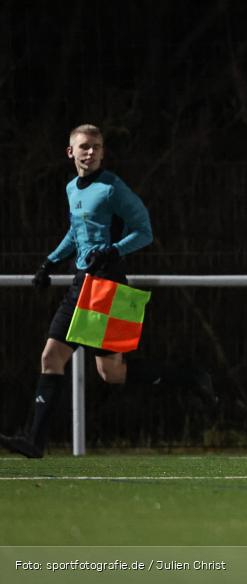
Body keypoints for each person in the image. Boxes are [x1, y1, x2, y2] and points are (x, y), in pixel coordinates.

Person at [0, 124, 213, 459]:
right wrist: (49, 263)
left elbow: (144, 231)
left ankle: (188, 377)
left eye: (97, 147)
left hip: (108, 286)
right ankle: (34, 441)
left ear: (102, 152)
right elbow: (76, 231)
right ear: (70, 152)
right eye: (84, 146)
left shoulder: (112, 188)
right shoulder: (73, 188)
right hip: (81, 283)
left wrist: (113, 251)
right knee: (51, 357)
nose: (91, 152)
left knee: (111, 374)